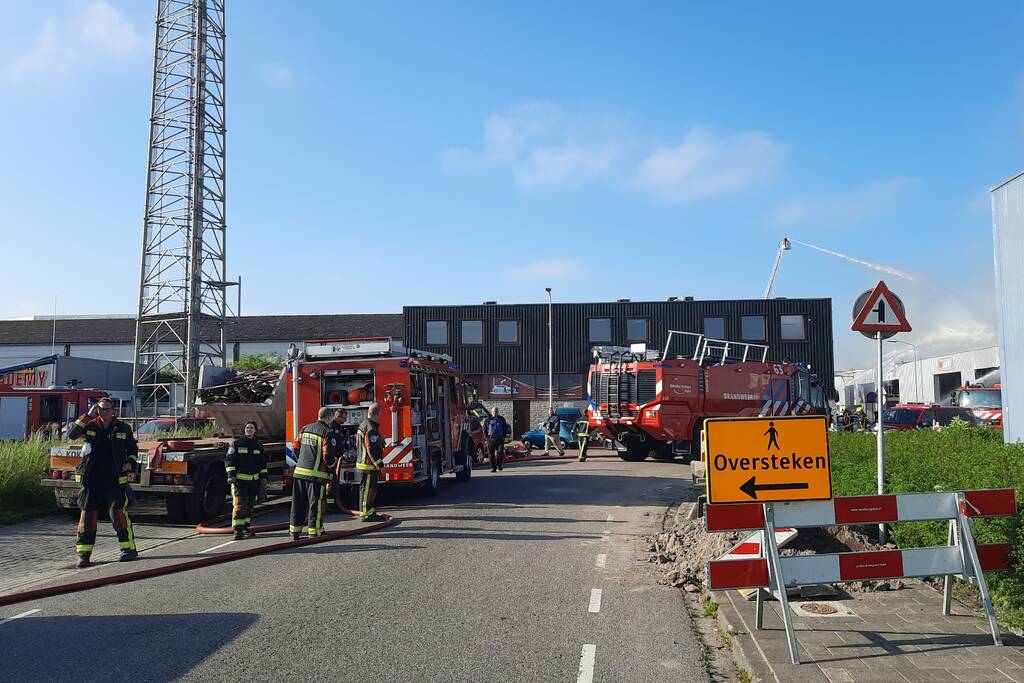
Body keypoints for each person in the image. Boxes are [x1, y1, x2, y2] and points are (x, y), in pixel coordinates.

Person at [64, 397, 138, 568]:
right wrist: (86, 416)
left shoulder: (123, 428)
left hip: (114, 478)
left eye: (107, 409)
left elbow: (132, 449)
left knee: (117, 514)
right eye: (100, 409)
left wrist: (130, 462)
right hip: (91, 479)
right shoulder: (90, 426)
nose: (103, 412)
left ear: (113, 411)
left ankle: (128, 550)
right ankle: (84, 555)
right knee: (87, 516)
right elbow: (72, 434)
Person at [289, 407, 336, 539]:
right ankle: (315, 531)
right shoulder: (326, 432)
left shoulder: (305, 428)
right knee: (316, 503)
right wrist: (332, 468)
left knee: (298, 503)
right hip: (316, 476)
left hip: (299, 473)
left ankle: (295, 531)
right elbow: (328, 457)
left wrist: (300, 462)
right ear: (329, 418)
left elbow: (295, 446)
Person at [225, 420, 267, 540]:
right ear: (244, 430)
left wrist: (264, 478)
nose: (249, 430)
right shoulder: (237, 444)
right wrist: (231, 475)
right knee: (239, 506)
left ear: (255, 431)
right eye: (247, 428)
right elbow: (229, 460)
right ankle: (237, 531)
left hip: (254, 482)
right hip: (240, 482)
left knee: (249, 506)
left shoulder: (258, 445)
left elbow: (262, 464)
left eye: (251, 428)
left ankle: (245, 527)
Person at [356, 402, 386, 522]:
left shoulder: (363, 425)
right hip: (368, 466)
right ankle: (366, 514)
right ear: (378, 414)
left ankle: (368, 510)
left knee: (366, 489)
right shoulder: (371, 429)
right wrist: (379, 465)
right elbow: (371, 449)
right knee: (368, 491)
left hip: (363, 463)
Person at [325, 409, 350, 511]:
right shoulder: (332, 427)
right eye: (344, 418)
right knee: (331, 483)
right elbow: (333, 445)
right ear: (339, 417)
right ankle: (330, 506)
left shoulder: (337, 427)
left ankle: (332, 504)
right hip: (332, 461)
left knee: (333, 483)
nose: (345, 420)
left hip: (336, 460)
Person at [485, 406, 509, 472]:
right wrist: (486, 437)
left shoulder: (501, 419)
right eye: (493, 411)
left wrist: (504, 436)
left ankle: (499, 465)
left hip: (500, 439)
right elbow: (484, 428)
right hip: (491, 439)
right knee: (491, 454)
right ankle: (493, 467)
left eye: (496, 411)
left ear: (498, 412)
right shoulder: (488, 419)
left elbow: (505, 428)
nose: (495, 412)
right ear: (491, 412)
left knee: (500, 452)